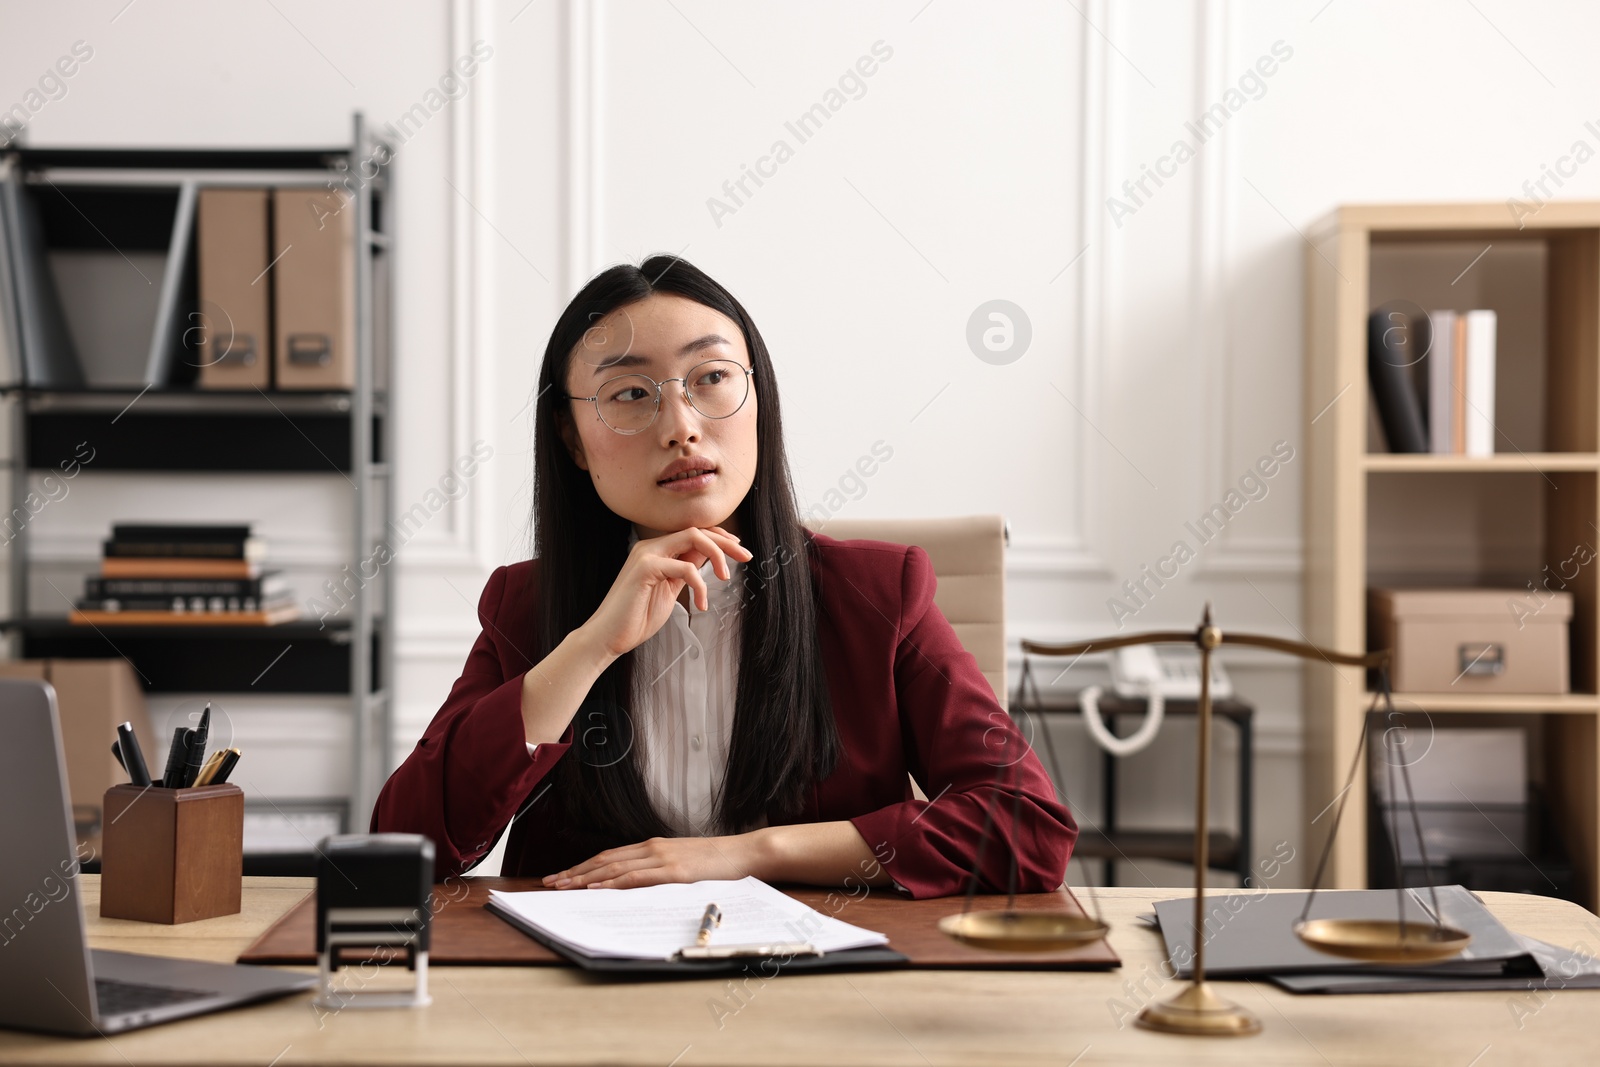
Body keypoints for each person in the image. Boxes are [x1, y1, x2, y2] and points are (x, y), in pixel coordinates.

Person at [370, 255, 1077, 898]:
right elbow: (407, 846)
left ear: (758, 398)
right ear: (571, 440)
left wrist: (750, 853)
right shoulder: (524, 607)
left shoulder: (878, 593)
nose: (680, 425)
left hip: (814, 992)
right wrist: (591, 646)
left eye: (710, 378)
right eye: (628, 394)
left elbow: (1026, 825)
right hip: (585, 1008)